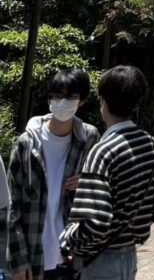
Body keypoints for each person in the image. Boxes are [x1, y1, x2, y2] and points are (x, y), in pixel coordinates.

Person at [60, 65, 154, 280]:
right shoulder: (147, 142)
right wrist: (134, 225)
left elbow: (96, 222)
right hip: (128, 256)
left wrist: (68, 242)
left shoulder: (103, 152)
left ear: (103, 101)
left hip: (99, 262)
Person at [6, 67, 98, 280]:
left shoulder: (90, 139)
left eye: (71, 96)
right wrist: (17, 261)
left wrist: (89, 183)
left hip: (74, 255)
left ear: (81, 101)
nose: (63, 102)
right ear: (50, 100)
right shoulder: (26, 144)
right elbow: (13, 206)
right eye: (57, 96)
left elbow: (106, 190)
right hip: (34, 254)